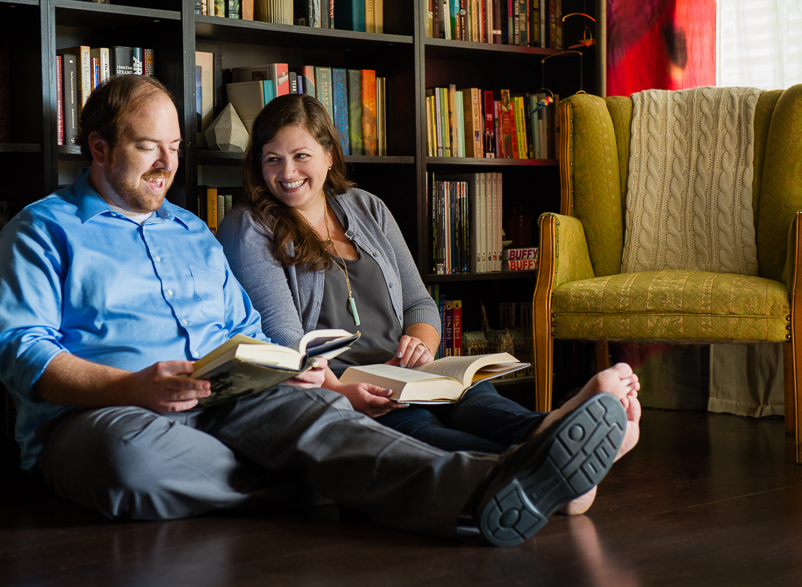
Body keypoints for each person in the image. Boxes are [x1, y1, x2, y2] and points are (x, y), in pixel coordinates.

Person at [0, 74, 628, 546]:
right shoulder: (42, 231)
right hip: (107, 413)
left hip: (227, 401)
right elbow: (22, 353)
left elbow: (244, 329)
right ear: (98, 149)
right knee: (131, 463)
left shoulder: (191, 231)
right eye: (149, 147)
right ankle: (318, 474)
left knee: (317, 412)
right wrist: (133, 385)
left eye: (175, 147)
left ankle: (489, 486)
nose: (167, 164)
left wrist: (272, 368)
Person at [217, 93, 641, 513]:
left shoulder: (367, 208)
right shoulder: (250, 225)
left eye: (300, 155)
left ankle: (559, 441)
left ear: (329, 156)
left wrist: (421, 343)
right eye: (272, 159)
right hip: (352, 383)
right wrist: (342, 392)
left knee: (482, 404)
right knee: (423, 430)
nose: (287, 172)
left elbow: (420, 302)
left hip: (413, 373)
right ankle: (560, 459)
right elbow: (284, 336)